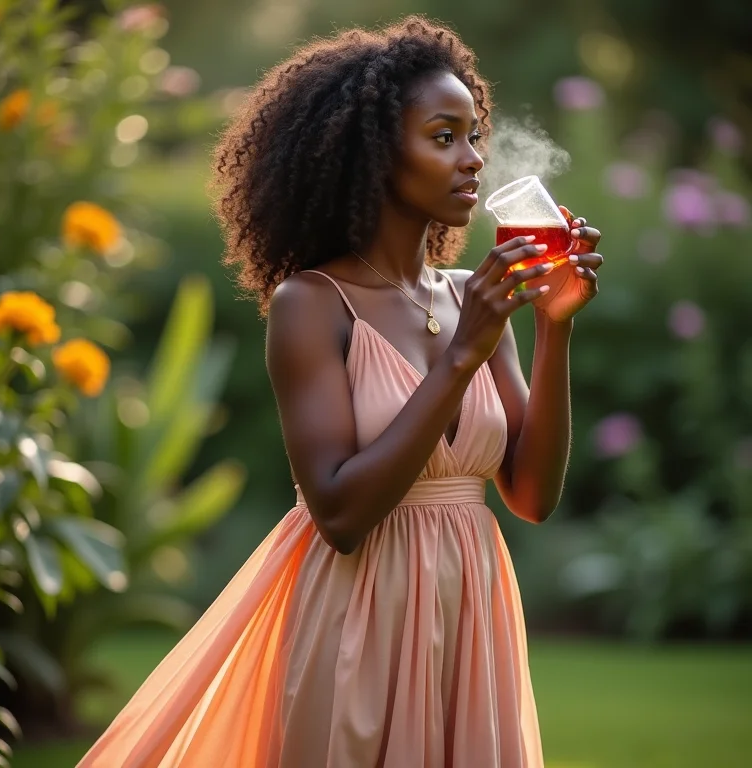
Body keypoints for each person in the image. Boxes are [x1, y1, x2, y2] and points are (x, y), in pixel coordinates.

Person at [77, 14, 602, 768]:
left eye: (475, 135)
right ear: (375, 154)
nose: (473, 160)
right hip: (361, 615)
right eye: (444, 136)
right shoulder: (312, 304)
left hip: (472, 612)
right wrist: (460, 358)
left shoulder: (473, 298)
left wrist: (555, 328)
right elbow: (342, 513)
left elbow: (530, 495)